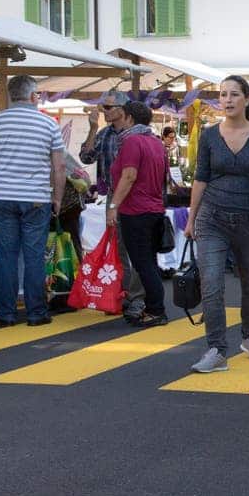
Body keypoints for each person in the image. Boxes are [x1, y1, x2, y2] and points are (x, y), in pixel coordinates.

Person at [184, 76, 249, 373]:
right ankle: (216, 349)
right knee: (212, 283)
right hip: (212, 217)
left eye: (234, 94)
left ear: (246, 99)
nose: (227, 100)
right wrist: (190, 218)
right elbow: (200, 177)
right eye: (222, 95)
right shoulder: (209, 135)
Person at [0, 74, 65, 327]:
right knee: (34, 256)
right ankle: (36, 313)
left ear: (9, 95)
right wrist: (57, 198)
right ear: (32, 96)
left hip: (3, 196)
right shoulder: (49, 124)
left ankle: (6, 314)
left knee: (6, 255)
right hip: (36, 198)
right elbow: (59, 167)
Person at [80, 90, 146, 319]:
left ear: (122, 109)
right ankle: (125, 293)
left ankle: (138, 297)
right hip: (112, 194)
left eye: (107, 107)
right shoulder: (105, 134)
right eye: (103, 107)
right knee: (119, 248)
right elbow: (86, 158)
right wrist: (91, 128)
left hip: (134, 196)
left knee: (136, 247)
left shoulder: (136, 135)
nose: (103, 111)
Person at [106, 101, 169, 328]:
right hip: (154, 208)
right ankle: (154, 307)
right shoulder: (155, 142)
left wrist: (113, 205)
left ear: (129, 117)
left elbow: (129, 175)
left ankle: (156, 309)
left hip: (136, 209)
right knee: (149, 261)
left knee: (143, 263)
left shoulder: (132, 141)